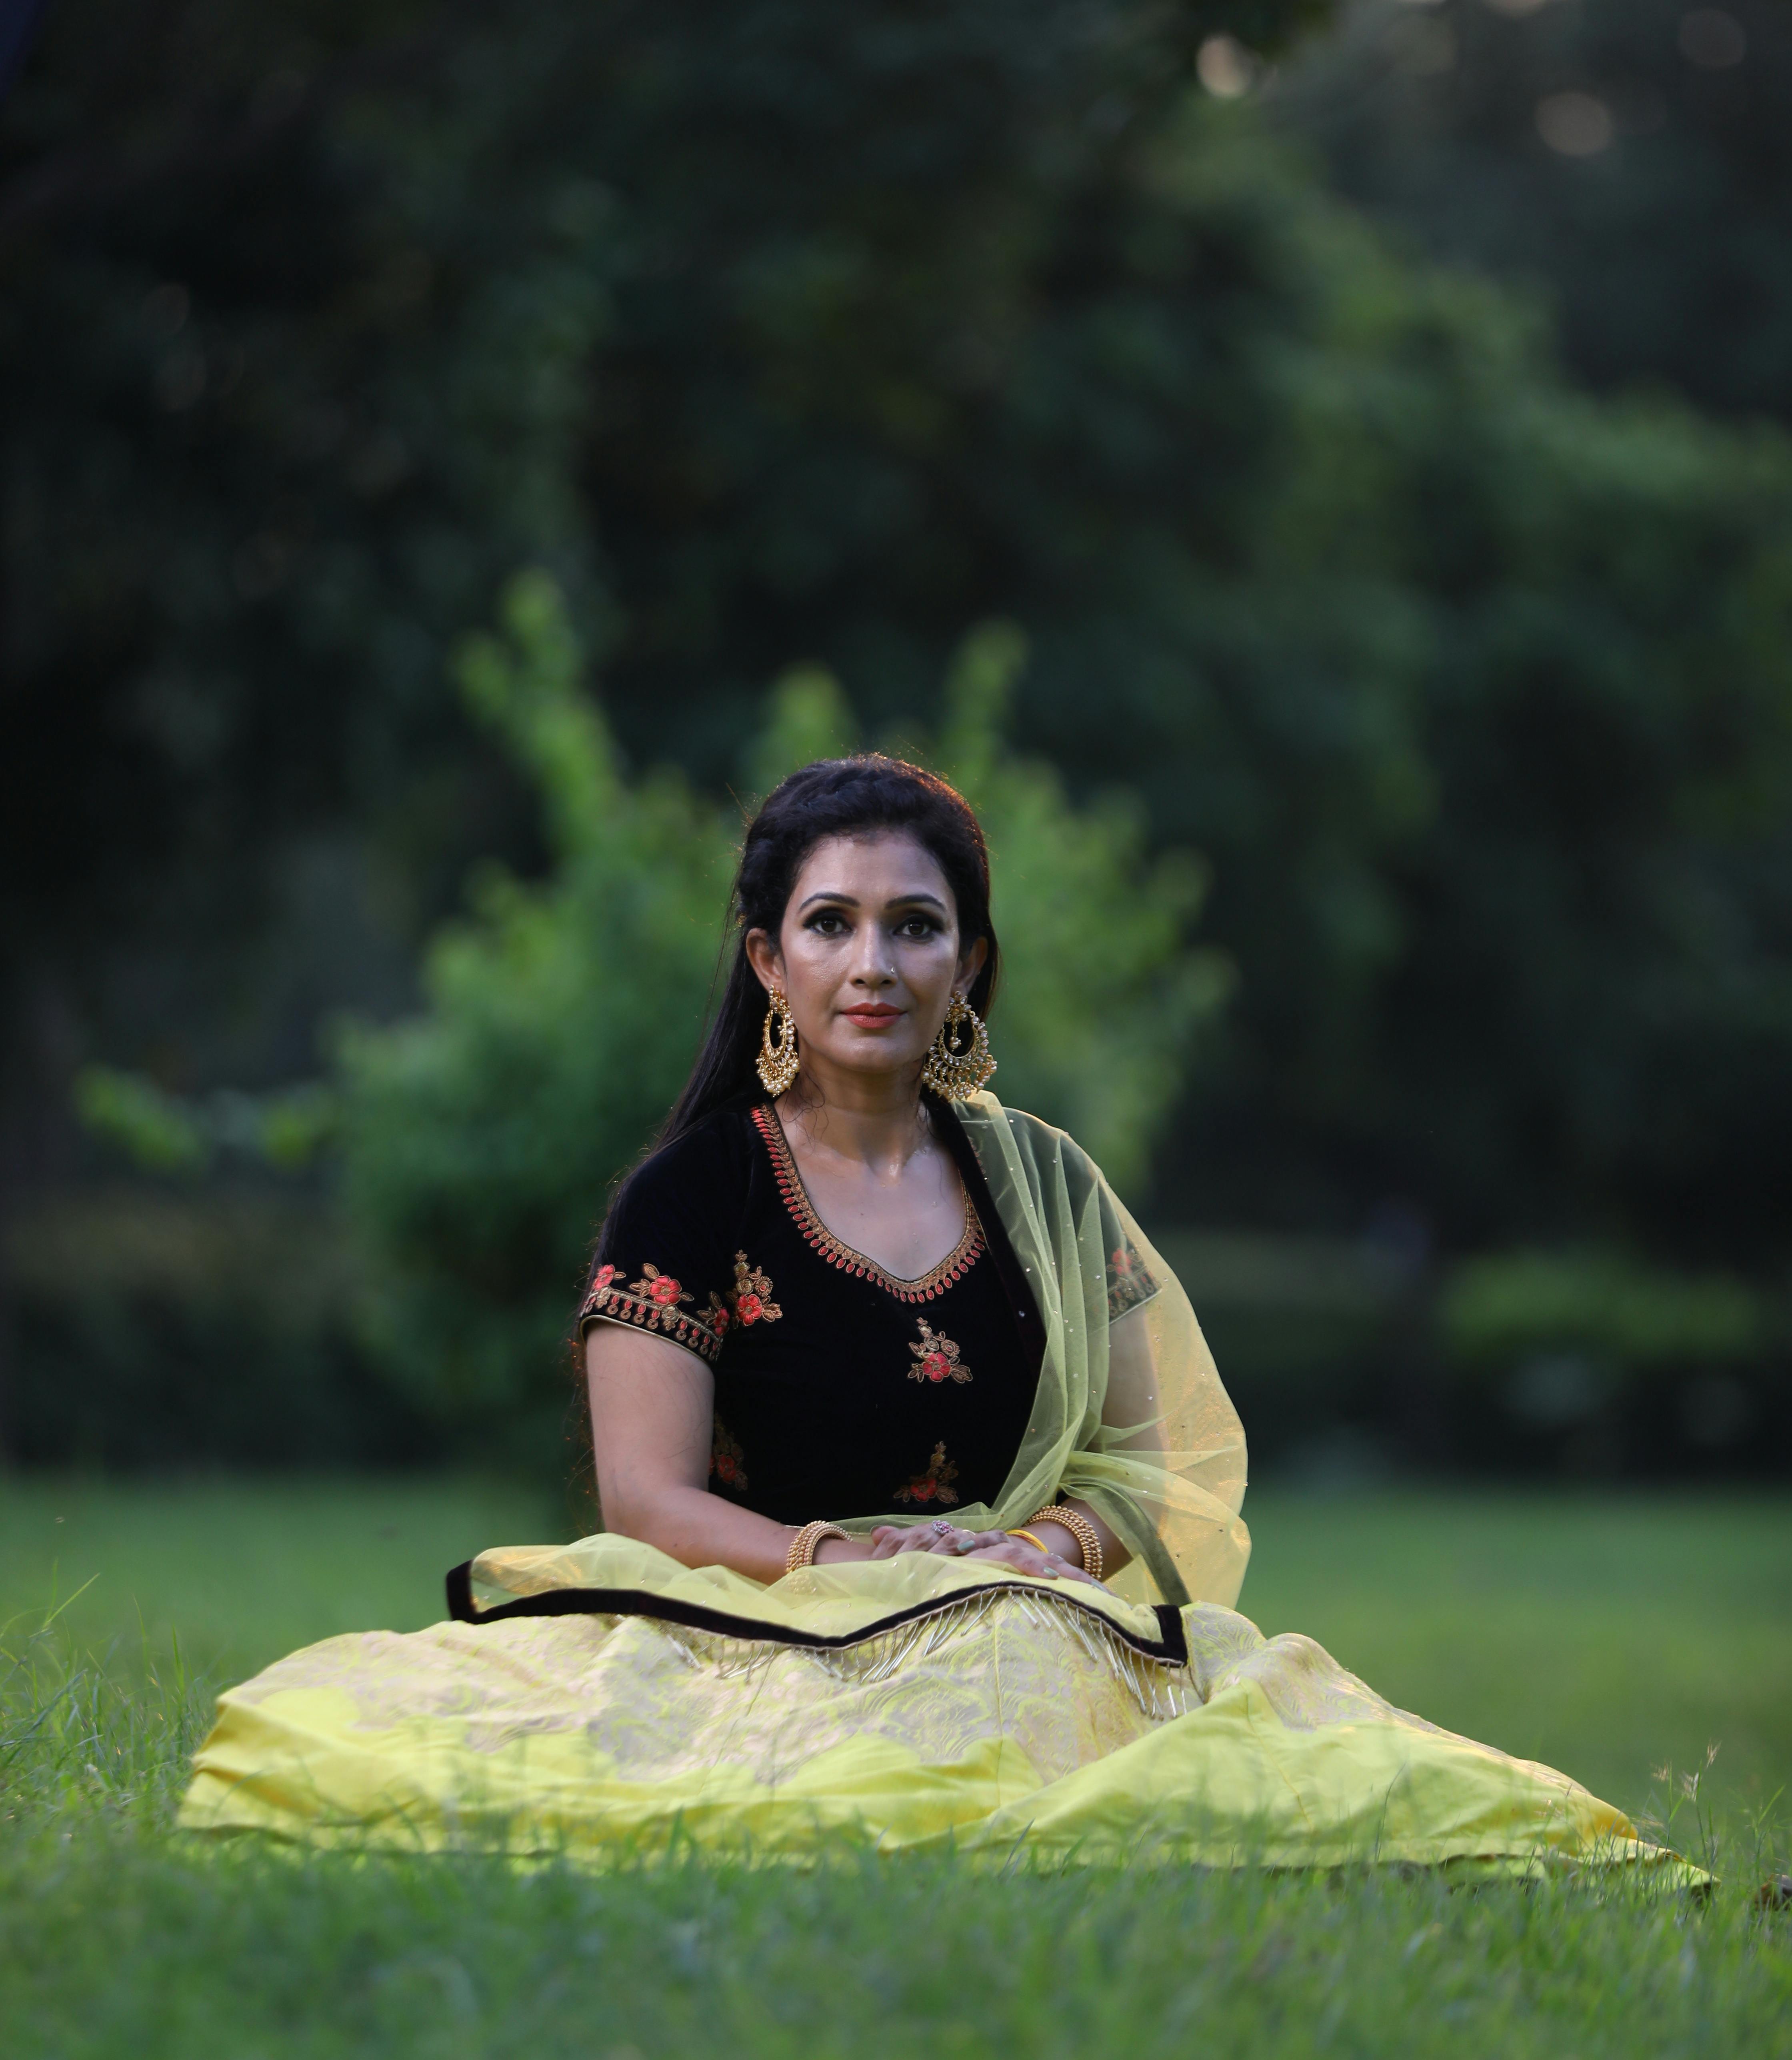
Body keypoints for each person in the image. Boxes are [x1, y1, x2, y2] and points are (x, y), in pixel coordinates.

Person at [182, 758, 1675, 1876]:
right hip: (752, 1615)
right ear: (770, 960)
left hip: (1014, 1608)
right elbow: (645, 1494)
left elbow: (1155, 1466)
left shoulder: (1049, 1190)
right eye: (830, 925)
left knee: (1158, 1717)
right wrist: (844, 1561)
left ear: (969, 965)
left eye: (915, 927)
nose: (874, 964)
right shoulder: (691, 1198)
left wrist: (1043, 1550)